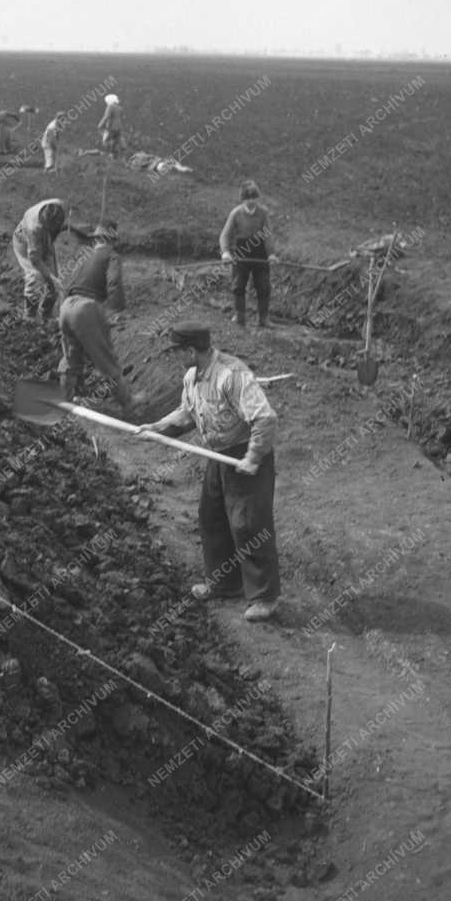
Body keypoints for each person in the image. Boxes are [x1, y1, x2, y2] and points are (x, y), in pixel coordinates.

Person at [136, 322, 281, 622]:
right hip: (218, 454)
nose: (176, 357)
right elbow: (188, 413)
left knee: (248, 524)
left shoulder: (232, 375)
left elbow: (265, 419)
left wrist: (253, 457)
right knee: (212, 516)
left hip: (246, 454)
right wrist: (157, 427)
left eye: (178, 351)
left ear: (191, 350)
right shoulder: (192, 376)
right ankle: (225, 583)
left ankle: (265, 597)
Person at [57, 220, 139, 412]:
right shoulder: (112, 256)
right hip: (86, 308)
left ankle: (64, 402)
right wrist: (115, 309)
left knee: (71, 356)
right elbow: (114, 283)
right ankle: (128, 403)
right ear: (112, 240)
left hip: (67, 306)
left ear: (97, 239)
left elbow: (65, 285)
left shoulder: (84, 257)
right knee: (105, 359)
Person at [219, 179, 279, 328]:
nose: (251, 201)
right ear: (243, 199)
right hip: (241, 253)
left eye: (253, 198)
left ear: (257, 198)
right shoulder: (236, 214)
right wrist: (225, 252)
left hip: (260, 254)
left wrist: (271, 254)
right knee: (238, 286)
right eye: (248, 198)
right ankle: (240, 317)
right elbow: (225, 235)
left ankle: (263, 319)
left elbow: (268, 235)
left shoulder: (263, 213)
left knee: (263, 286)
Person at [12, 198, 81, 320]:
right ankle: (29, 317)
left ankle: (46, 316)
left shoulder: (59, 206)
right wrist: (51, 277)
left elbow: (66, 222)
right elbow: (35, 259)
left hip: (44, 240)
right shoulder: (35, 228)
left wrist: (82, 233)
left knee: (54, 284)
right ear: (46, 225)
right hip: (24, 242)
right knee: (36, 276)